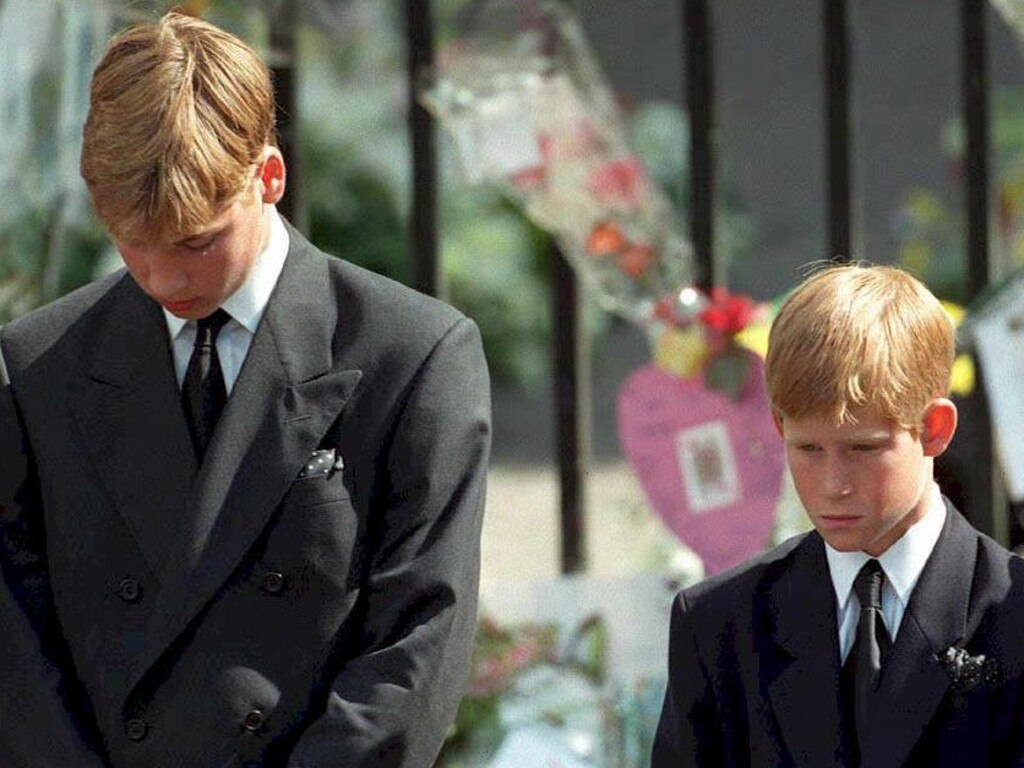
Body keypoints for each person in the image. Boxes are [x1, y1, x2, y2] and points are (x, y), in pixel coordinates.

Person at [0, 10, 490, 768]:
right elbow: (17, 657)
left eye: (197, 240)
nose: (164, 279)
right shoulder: (39, 367)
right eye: (133, 242)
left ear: (268, 176)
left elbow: (417, 648)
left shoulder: (414, 356)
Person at [651, 264, 1024, 767]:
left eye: (863, 448)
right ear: (779, 426)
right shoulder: (720, 626)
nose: (833, 485)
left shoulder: (1012, 611)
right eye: (808, 448)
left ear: (934, 428)